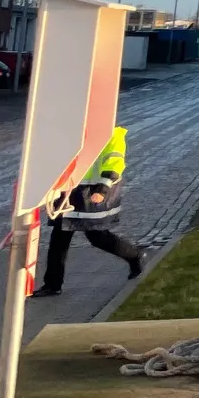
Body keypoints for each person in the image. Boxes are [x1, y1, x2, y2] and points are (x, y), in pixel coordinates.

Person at [32, 125, 142, 296]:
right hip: (68, 192)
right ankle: (52, 284)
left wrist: (102, 189)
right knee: (59, 239)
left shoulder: (110, 134)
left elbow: (115, 163)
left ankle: (135, 256)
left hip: (90, 194)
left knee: (97, 237)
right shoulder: (72, 131)